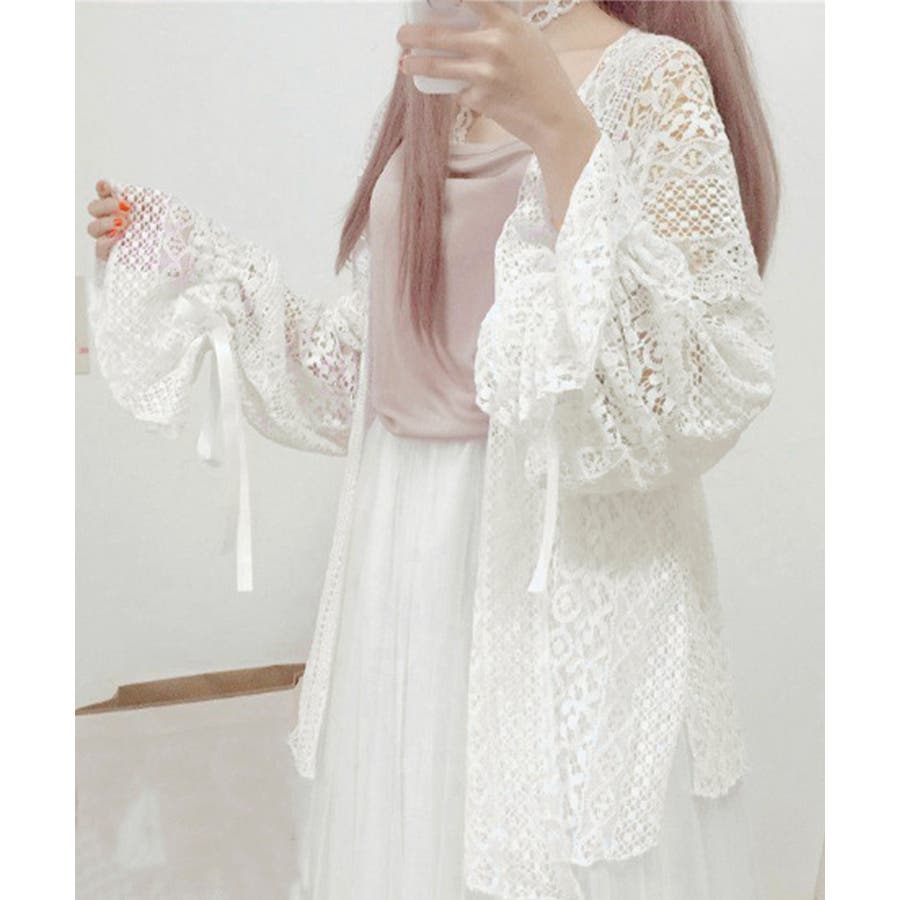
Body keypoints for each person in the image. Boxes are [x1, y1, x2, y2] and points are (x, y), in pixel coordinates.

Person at [85, 2, 780, 898]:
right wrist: (186, 263)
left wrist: (562, 129)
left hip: (560, 580)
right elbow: (367, 373)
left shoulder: (654, 78)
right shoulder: (440, 78)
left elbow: (706, 383)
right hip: (401, 561)